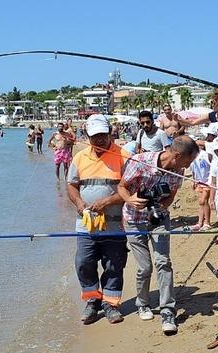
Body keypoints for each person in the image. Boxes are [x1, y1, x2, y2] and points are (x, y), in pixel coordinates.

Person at [118, 135, 200, 335]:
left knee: (163, 262)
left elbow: (171, 195)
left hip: (159, 219)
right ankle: (143, 303)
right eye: (188, 162)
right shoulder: (141, 162)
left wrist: (160, 207)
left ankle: (167, 311)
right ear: (177, 155)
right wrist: (130, 200)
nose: (188, 167)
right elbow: (121, 187)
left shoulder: (178, 171)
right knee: (145, 267)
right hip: (133, 219)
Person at [66, 114, 130, 325]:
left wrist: (108, 201)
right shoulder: (80, 157)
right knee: (84, 262)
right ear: (88, 136)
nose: (100, 140)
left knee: (114, 264)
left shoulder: (124, 156)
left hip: (115, 224)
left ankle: (111, 304)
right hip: (86, 224)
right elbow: (72, 185)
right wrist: (78, 203)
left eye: (103, 135)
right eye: (95, 136)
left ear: (110, 132)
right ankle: (92, 301)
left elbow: (131, 189)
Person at [189, 138, 213, 232]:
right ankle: (200, 222)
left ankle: (207, 222)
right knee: (201, 202)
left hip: (207, 181)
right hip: (200, 182)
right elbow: (193, 169)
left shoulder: (205, 155)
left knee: (204, 201)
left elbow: (211, 166)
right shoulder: (193, 156)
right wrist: (193, 180)